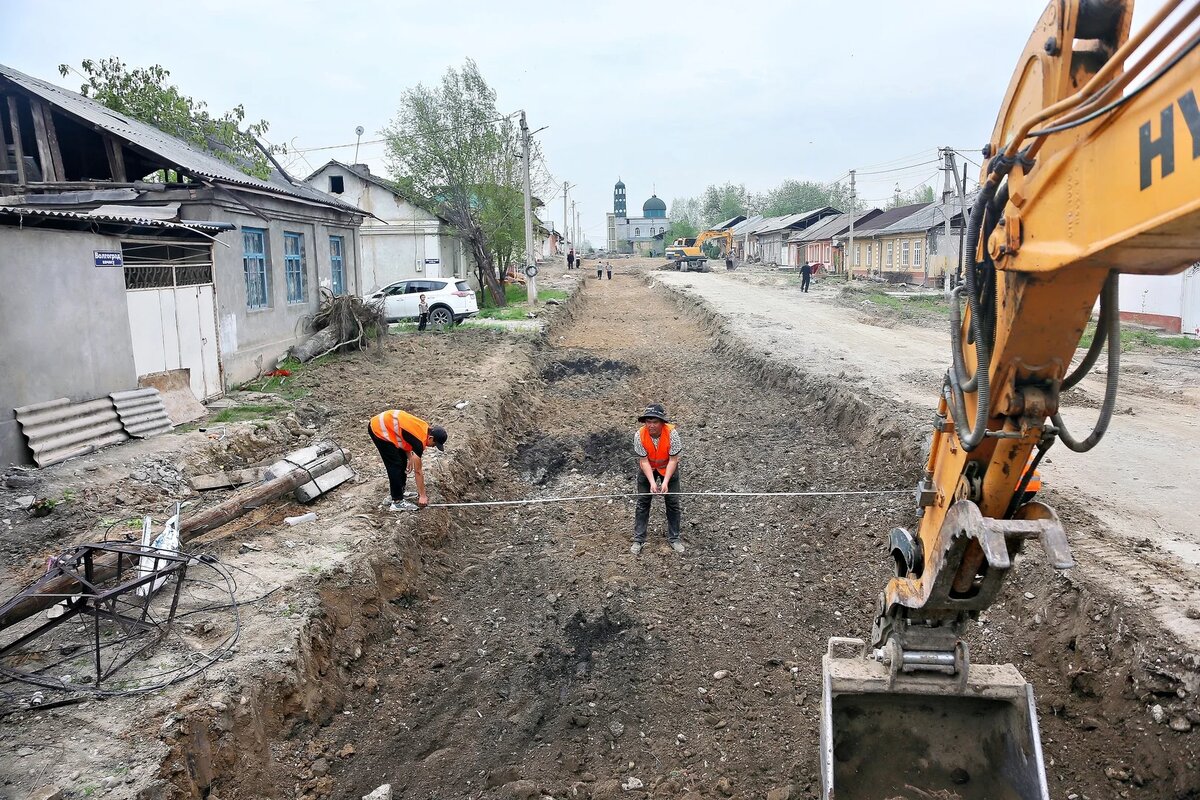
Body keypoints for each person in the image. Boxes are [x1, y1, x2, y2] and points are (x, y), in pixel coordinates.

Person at [368, 409, 448, 511]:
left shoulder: (424, 429)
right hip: (379, 428)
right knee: (395, 464)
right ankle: (397, 501)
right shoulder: (419, 442)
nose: (433, 447)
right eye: (434, 444)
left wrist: (409, 456)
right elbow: (418, 471)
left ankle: (400, 491)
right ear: (431, 438)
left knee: (402, 461)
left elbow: (405, 436)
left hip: (388, 425)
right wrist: (422, 496)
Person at [631, 404, 684, 555]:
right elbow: (644, 461)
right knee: (643, 502)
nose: (651, 425)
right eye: (648, 421)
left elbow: (673, 460)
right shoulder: (639, 435)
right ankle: (639, 539)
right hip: (648, 468)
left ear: (662, 423)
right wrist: (653, 483)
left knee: (673, 502)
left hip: (668, 468)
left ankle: (674, 538)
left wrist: (665, 481)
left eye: (655, 422)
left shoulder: (672, 434)